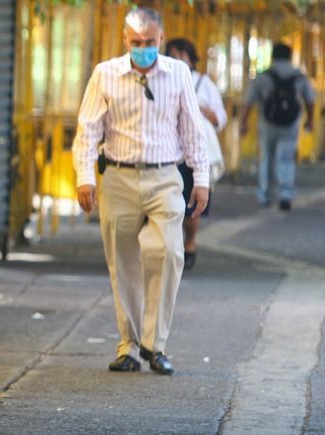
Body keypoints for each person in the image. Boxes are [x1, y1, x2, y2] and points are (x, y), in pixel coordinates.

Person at [72, 7, 208, 375]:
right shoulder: (106, 75)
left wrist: (201, 179)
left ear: (160, 39)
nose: (143, 48)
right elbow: (87, 133)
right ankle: (129, 346)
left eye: (149, 42)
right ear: (125, 41)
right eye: (136, 43)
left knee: (168, 251)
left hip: (165, 177)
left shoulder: (179, 74)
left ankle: (155, 343)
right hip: (118, 177)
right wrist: (85, 178)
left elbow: (193, 130)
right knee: (124, 262)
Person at [166, 38, 227, 270]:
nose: (178, 59)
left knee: (191, 206)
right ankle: (172, 247)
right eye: (172, 55)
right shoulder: (162, 81)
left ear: (191, 57)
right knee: (170, 203)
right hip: (169, 152)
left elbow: (220, 118)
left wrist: (195, 107)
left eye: (182, 54)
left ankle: (189, 242)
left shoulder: (203, 83)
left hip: (195, 150)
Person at [240, 43, 315, 211]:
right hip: (290, 124)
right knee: (286, 158)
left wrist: (243, 122)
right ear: (290, 56)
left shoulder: (263, 76)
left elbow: (248, 102)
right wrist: (310, 121)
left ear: (272, 56)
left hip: (267, 123)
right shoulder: (300, 76)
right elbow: (310, 100)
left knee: (267, 157)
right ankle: (285, 194)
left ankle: (265, 194)